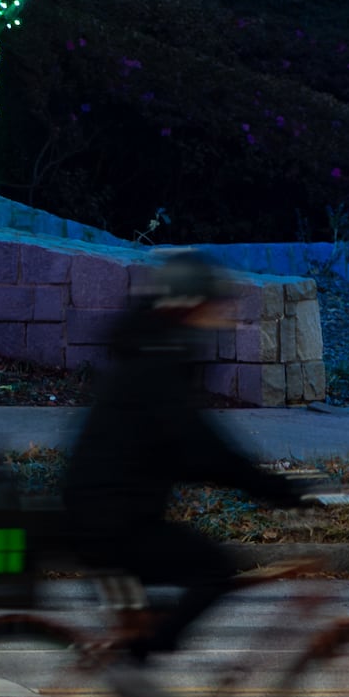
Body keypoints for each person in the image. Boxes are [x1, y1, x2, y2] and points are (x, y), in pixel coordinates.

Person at [59, 253, 320, 662]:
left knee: (141, 627)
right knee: (212, 568)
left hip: (105, 516)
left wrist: (262, 486)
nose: (222, 313)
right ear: (189, 306)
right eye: (213, 304)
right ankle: (152, 648)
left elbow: (187, 450)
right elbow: (203, 450)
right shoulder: (159, 362)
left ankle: (140, 679)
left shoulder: (153, 350)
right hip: (111, 526)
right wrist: (277, 491)